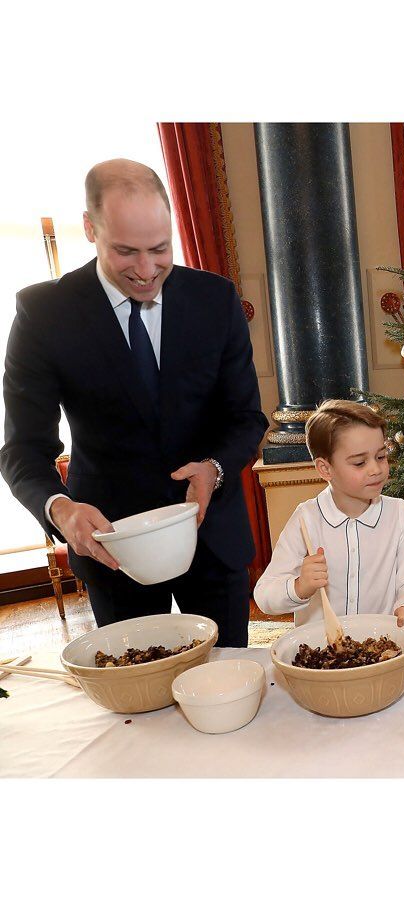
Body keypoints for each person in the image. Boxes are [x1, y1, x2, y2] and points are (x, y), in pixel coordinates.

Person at [1, 159, 268, 647]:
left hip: (212, 541)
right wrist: (60, 509)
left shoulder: (216, 300)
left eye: (160, 249)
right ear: (89, 228)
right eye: (126, 252)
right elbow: (21, 449)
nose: (147, 271)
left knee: (230, 697)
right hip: (112, 550)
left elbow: (246, 418)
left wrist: (215, 468)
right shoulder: (44, 314)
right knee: (139, 706)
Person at [254, 399, 404, 627]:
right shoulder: (306, 519)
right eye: (359, 463)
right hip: (322, 654)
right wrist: (300, 586)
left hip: (381, 645)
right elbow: (264, 595)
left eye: (381, 457)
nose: (376, 469)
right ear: (325, 468)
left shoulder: (398, 513)